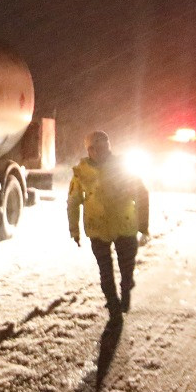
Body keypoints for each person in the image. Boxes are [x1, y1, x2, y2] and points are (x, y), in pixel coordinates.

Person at [67, 131, 150, 314]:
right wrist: (74, 231)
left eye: (104, 147)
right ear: (89, 150)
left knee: (126, 267)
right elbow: (73, 202)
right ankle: (113, 303)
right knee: (105, 271)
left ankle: (126, 290)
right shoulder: (81, 173)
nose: (101, 151)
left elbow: (141, 194)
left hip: (125, 226)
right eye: (96, 148)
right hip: (98, 229)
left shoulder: (123, 167)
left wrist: (143, 226)